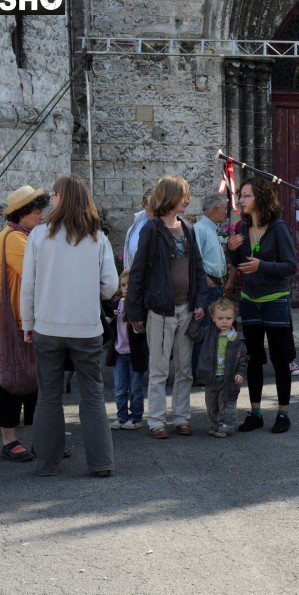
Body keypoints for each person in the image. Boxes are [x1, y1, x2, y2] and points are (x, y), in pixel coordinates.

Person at [20, 174, 119, 476]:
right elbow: (110, 286)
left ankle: (47, 464)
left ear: (63, 199)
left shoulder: (39, 235)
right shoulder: (97, 238)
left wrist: (27, 322)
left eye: (54, 194)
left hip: (48, 326)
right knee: (92, 394)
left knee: (48, 395)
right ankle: (101, 463)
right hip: (86, 327)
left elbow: (28, 285)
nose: (51, 199)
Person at [126, 175, 207, 440]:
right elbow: (137, 274)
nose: (186, 199)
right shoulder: (151, 229)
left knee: (185, 369)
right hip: (160, 310)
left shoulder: (188, 228)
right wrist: (135, 312)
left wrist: (200, 302)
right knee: (159, 369)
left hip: (186, 309)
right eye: (182, 194)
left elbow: (197, 268)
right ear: (169, 197)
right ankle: (157, 422)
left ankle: (182, 419)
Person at [0, 185, 50, 462]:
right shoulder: (15, 240)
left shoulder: (22, 236)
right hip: (3, 323)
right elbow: (41, 271)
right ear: (22, 215)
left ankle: (41, 439)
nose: (41, 217)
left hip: (19, 322)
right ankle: (9, 441)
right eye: (36, 213)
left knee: (32, 380)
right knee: (10, 380)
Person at [227, 178, 297, 434]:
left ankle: (283, 413)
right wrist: (232, 250)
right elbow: (239, 263)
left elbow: (290, 267)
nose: (241, 200)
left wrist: (262, 266)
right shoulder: (243, 227)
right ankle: (255, 412)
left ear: (261, 198)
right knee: (254, 358)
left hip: (275, 301)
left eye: (246, 195)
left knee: (280, 359)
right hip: (249, 301)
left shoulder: (279, 228)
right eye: (241, 195)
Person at [188, 298, 249, 438]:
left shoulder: (237, 338)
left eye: (228, 318)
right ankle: (217, 423)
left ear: (234, 318)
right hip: (211, 376)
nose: (225, 321)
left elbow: (243, 358)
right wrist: (196, 321)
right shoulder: (209, 332)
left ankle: (227, 425)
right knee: (212, 403)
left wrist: (240, 373)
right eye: (220, 318)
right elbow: (194, 335)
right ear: (213, 318)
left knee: (227, 402)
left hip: (229, 378)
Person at [191, 194, 229, 378]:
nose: (225, 213)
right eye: (224, 209)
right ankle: (200, 372)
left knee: (212, 330)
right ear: (215, 209)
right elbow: (195, 260)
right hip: (208, 285)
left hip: (215, 284)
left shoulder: (211, 229)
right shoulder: (200, 229)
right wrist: (207, 281)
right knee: (204, 330)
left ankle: (207, 370)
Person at [106, 270, 148, 430]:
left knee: (136, 387)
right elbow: (107, 323)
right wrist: (111, 316)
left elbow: (143, 331)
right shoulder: (116, 304)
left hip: (135, 353)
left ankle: (136, 417)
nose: (126, 288)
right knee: (119, 387)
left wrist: (135, 322)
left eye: (130, 284)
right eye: (123, 285)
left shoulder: (141, 305)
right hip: (119, 353)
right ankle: (121, 416)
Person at [122, 188, 153, 270]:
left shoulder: (162, 224)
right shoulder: (140, 218)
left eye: (152, 205)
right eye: (146, 204)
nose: (148, 208)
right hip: (133, 269)